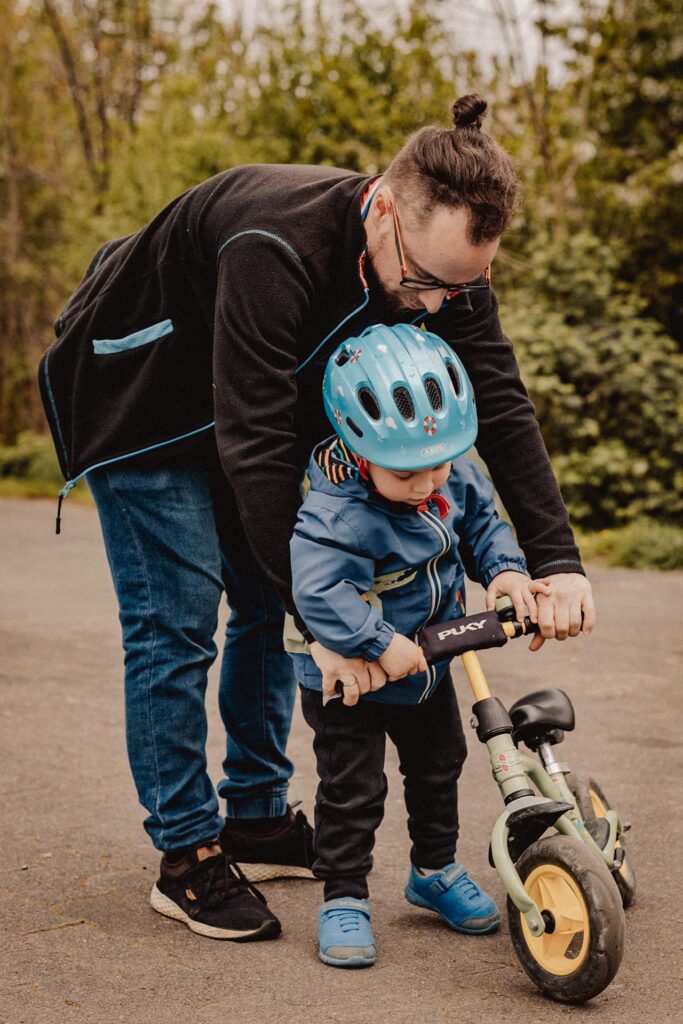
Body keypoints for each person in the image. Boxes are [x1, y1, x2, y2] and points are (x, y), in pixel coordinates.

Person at [38, 93, 594, 942]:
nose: (437, 306)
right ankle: (186, 855)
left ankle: (257, 819)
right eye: (423, 284)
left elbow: (501, 405)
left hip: (244, 413)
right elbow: (257, 447)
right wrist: (333, 627)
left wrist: (555, 561)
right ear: (381, 208)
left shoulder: (442, 267)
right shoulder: (275, 245)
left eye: (464, 285)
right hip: (145, 401)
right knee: (177, 625)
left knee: (265, 605)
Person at [287, 324, 550, 967]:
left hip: (430, 664)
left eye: (441, 462)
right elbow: (317, 592)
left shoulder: (446, 470)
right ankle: (343, 895)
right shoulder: (336, 512)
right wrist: (377, 642)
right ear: (357, 446)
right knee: (354, 787)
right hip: (355, 675)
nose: (430, 480)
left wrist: (507, 569)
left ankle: (432, 871)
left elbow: (483, 519)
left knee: (440, 767)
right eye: (408, 471)